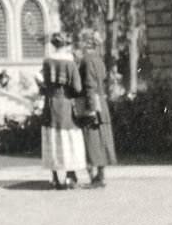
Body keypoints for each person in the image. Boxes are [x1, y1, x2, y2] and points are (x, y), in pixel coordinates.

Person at [40, 32, 86, 189]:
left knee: (52, 139)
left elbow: (45, 83)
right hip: (66, 104)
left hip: (51, 104)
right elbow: (77, 87)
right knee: (69, 139)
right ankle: (69, 175)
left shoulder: (47, 61)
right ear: (65, 45)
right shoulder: (70, 63)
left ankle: (54, 177)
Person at [78, 29, 117, 187]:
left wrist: (91, 108)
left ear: (86, 43)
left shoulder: (86, 60)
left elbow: (89, 85)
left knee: (91, 140)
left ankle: (95, 177)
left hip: (92, 102)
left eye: (81, 41)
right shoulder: (98, 60)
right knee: (102, 139)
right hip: (102, 101)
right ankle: (101, 175)